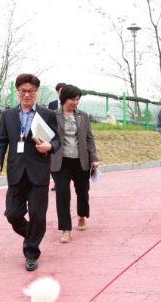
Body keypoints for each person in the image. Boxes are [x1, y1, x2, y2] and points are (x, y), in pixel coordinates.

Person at [0, 73, 60, 271]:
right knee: (12, 213)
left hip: (38, 170)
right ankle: (32, 235)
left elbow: (58, 140)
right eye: (23, 91)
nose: (27, 95)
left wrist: (50, 147)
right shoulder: (8, 115)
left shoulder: (48, 115)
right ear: (17, 92)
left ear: (37, 92)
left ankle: (31, 252)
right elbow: (1, 142)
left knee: (38, 215)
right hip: (16, 171)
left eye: (31, 91)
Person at [50, 84, 99, 244]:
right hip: (61, 161)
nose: (75, 102)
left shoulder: (83, 116)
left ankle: (82, 216)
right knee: (62, 194)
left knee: (83, 192)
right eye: (73, 99)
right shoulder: (53, 115)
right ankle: (65, 229)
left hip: (80, 160)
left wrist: (94, 158)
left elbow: (89, 138)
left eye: (78, 99)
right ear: (64, 98)